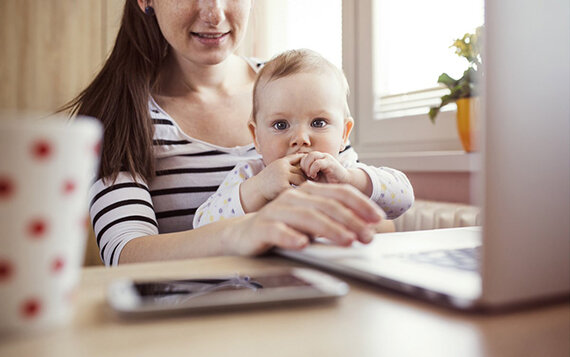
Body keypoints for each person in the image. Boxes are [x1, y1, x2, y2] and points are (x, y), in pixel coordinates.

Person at [63, 0, 388, 266]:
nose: (214, 13)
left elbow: (379, 223)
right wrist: (238, 233)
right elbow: (124, 255)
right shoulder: (116, 110)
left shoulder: (292, 86)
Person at [193, 49, 414, 228]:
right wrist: (258, 189)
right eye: (281, 125)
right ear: (256, 137)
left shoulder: (345, 169)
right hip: (267, 281)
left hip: (341, 278)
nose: (300, 139)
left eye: (318, 123)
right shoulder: (251, 175)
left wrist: (350, 179)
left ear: (344, 134)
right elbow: (202, 226)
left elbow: (403, 200)